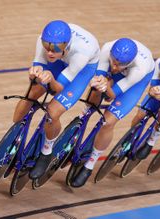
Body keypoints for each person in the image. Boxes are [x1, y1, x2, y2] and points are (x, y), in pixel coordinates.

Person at [11, 20, 100, 179]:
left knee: (52, 112)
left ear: (66, 45)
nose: (50, 52)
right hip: (62, 61)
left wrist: (50, 79)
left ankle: (46, 152)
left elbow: (58, 89)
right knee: (30, 94)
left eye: (56, 48)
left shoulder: (81, 53)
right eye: (47, 46)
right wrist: (35, 74)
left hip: (81, 69)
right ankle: (12, 141)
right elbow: (39, 68)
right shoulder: (44, 43)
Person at [71, 38, 155, 187]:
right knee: (96, 88)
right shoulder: (106, 49)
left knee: (108, 122)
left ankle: (90, 164)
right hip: (120, 68)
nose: (115, 67)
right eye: (113, 61)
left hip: (133, 82)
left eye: (119, 64)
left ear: (129, 63)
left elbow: (111, 96)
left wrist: (107, 87)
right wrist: (101, 82)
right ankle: (84, 114)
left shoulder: (139, 69)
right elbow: (100, 79)